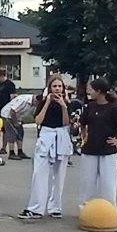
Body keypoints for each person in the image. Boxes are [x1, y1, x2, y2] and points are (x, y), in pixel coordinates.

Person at [16, 76, 75, 220]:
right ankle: (36, 208)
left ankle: (55, 207)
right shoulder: (43, 102)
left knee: (59, 175)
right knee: (39, 173)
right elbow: (38, 120)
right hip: (46, 134)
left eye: (60, 86)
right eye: (54, 86)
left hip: (61, 135)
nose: (57, 89)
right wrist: (48, 102)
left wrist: (63, 106)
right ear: (49, 88)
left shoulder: (67, 103)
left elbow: (66, 122)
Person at [77, 78, 117, 204]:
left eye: (91, 90)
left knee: (108, 183)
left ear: (99, 91)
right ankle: (86, 208)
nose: (89, 92)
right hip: (89, 149)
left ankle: (109, 208)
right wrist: (84, 136)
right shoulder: (90, 106)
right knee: (87, 182)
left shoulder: (113, 109)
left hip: (107, 150)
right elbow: (82, 123)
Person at [0, 91, 33, 160]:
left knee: (20, 132)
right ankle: (11, 153)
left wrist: (19, 121)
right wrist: (15, 123)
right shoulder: (23, 100)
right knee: (12, 133)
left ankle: (20, 152)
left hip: (18, 116)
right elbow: (12, 111)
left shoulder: (34, 103)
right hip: (8, 115)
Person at [0, 69, 16, 155]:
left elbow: (12, 97)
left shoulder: (10, 84)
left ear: (2, 76)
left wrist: (11, 109)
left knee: (4, 129)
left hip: (6, 109)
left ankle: (4, 148)